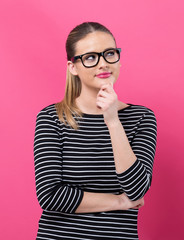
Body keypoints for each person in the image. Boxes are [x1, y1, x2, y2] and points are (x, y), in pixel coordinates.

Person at [33, 22, 157, 239]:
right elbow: (50, 195)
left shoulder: (142, 118)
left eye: (109, 53)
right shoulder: (52, 118)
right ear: (73, 67)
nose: (103, 64)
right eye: (90, 57)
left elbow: (137, 190)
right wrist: (119, 201)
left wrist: (113, 122)